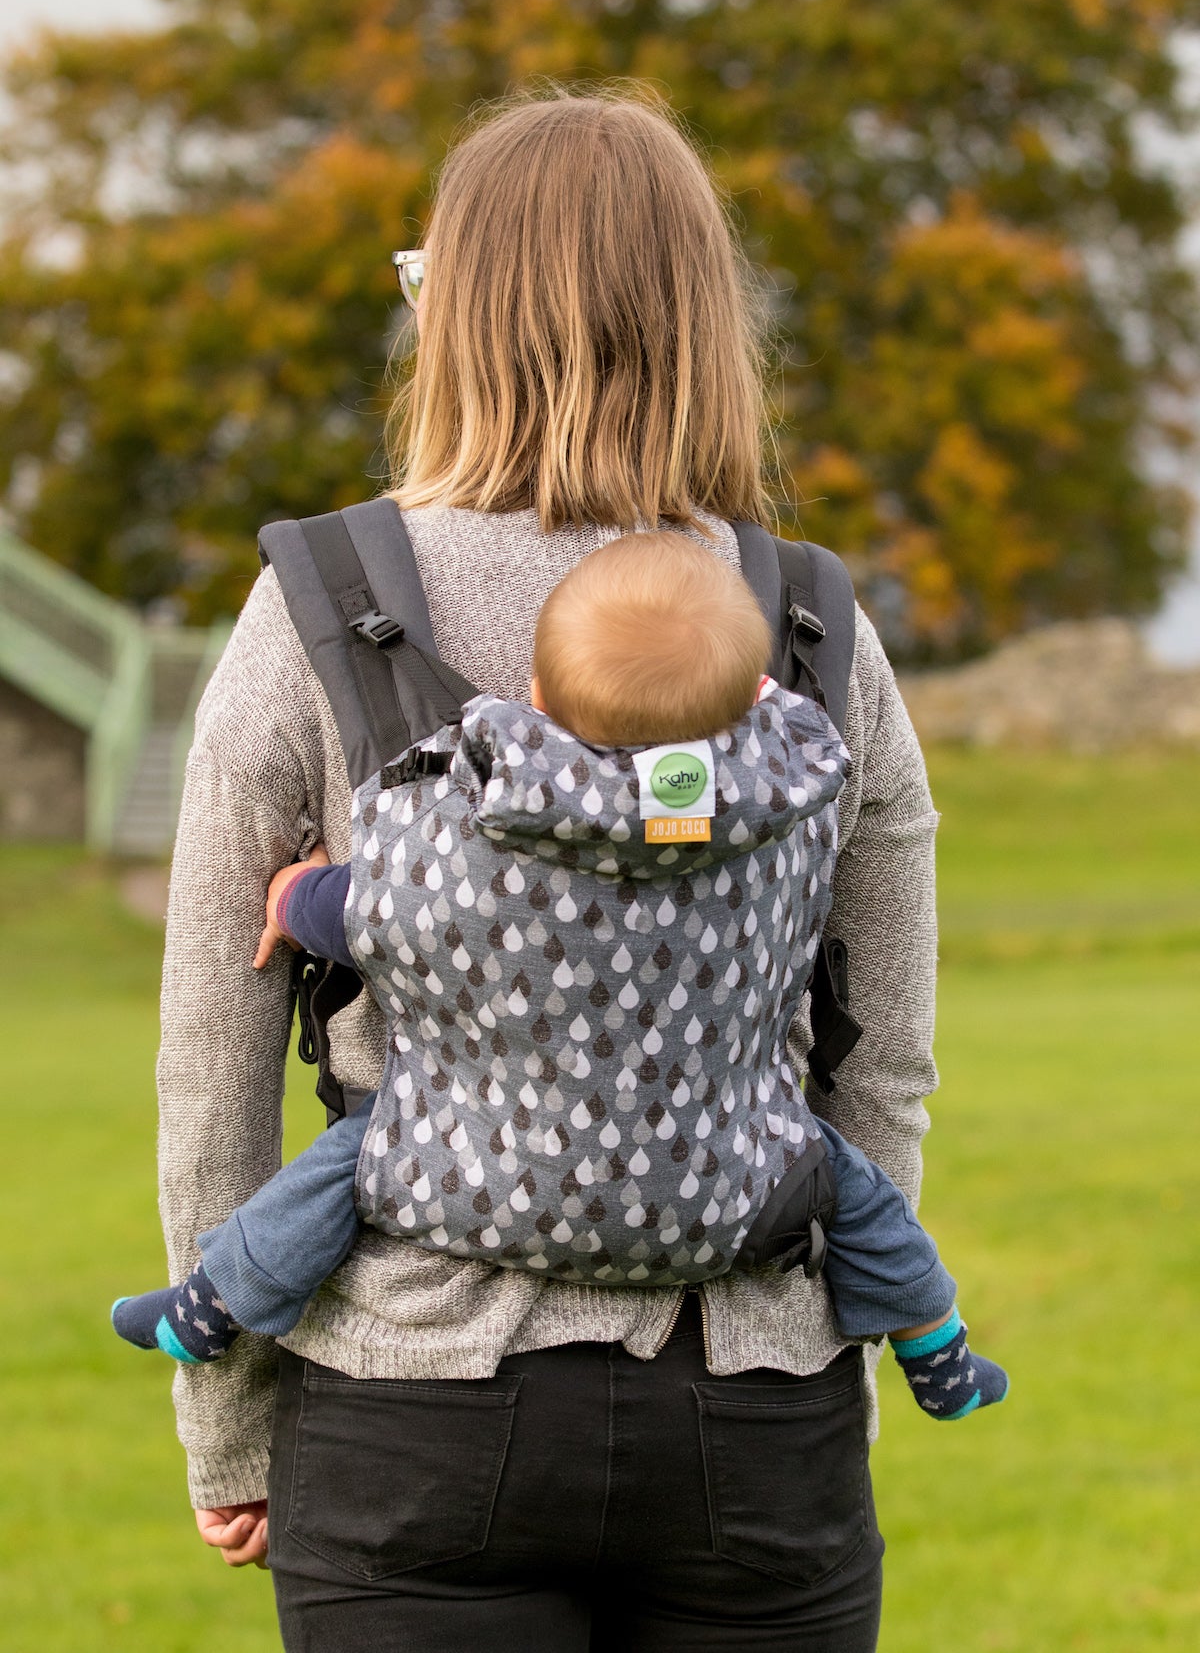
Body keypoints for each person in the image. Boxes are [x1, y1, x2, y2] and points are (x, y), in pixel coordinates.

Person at [154, 88, 966, 1647]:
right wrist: (840, 1359)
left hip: (410, 1411)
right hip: (752, 1400)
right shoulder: (811, 626)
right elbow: (881, 1061)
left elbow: (216, 1064)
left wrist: (231, 1425)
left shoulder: (311, 612)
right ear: (703, 321)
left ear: (455, 317)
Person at [117, 534, 1006, 1432]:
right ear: (748, 706)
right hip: (735, 1180)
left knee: (347, 1162)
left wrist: (292, 893)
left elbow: (367, 912)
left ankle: (211, 1306)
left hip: (460, 1176)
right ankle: (937, 1347)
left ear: (533, 702)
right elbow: (884, 1061)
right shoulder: (785, 823)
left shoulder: (466, 846)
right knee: (857, 1189)